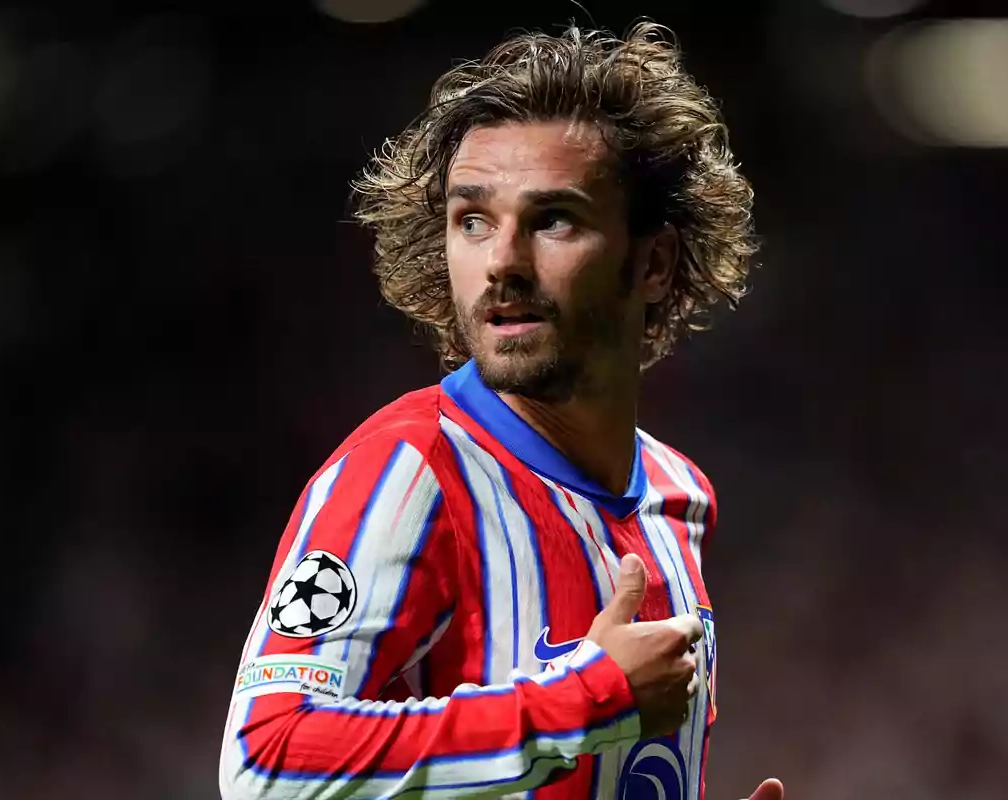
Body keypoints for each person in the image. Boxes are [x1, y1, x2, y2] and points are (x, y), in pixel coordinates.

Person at [219, 21, 782, 800]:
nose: (503, 263)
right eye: (473, 220)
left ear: (653, 262)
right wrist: (586, 699)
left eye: (554, 219)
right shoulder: (409, 471)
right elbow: (263, 761)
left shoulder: (678, 497)